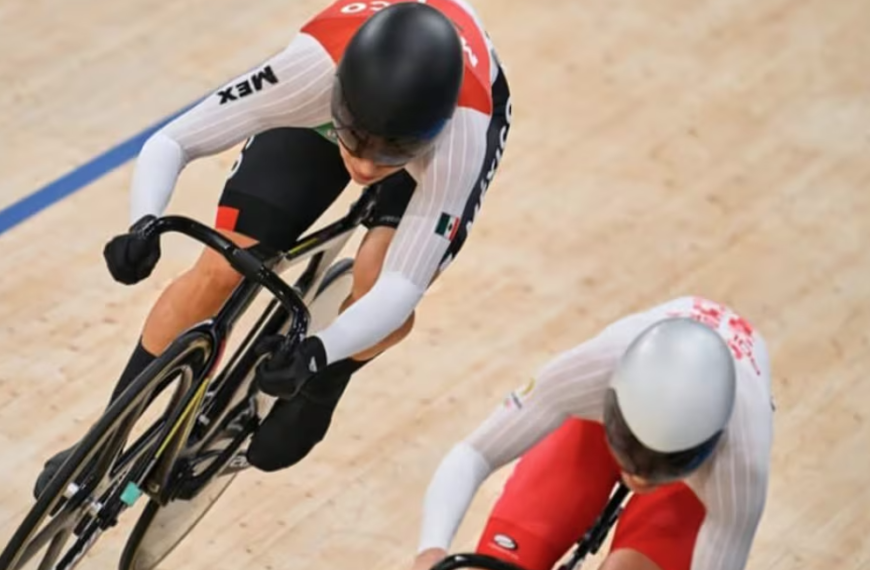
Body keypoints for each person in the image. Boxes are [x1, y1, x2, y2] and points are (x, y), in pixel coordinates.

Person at [34, 0, 512, 495]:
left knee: (376, 276)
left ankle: (334, 380)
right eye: (356, 140)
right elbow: (174, 141)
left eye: (392, 153)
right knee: (222, 265)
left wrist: (320, 359)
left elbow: (401, 287)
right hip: (330, 105)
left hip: (455, 122)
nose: (366, 168)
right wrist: (143, 224)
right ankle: (104, 439)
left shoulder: (461, 137)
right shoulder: (308, 71)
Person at [410, 296, 774, 570]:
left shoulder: (742, 460)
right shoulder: (591, 371)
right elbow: (475, 454)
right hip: (597, 430)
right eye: (631, 450)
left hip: (694, 480)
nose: (639, 476)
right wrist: (431, 552)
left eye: (660, 465)